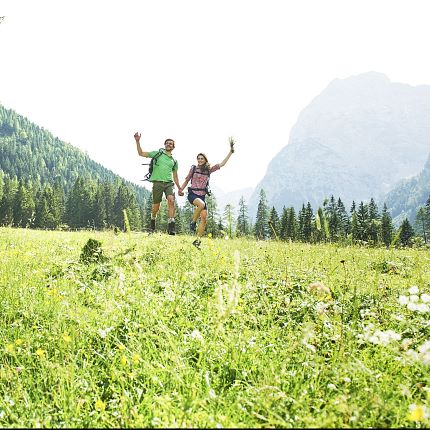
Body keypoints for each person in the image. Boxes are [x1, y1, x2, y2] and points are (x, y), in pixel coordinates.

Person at [179, 137, 235, 248]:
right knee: (201, 204)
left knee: (204, 219)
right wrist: (181, 189)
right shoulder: (194, 168)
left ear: (205, 160)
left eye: (201, 158)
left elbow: (222, 164)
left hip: (202, 195)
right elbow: (186, 179)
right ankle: (193, 222)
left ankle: (197, 241)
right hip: (192, 194)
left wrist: (230, 152)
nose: (200, 160)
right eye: (198, 158)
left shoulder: (208, 170)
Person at [134, 132, 183, 235]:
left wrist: (179, 188)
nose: (169, 144)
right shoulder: (157, 154)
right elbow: (141, 153)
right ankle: (153, 219)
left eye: (171, 143)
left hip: (169, 183)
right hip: (157, 183)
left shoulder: (174, 161)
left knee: (171, 200)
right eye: (167, 143)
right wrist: (138, 141)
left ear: (173, 147)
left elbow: (175, 176)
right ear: (165, 145)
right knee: (156, 206)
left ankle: (171, 227)